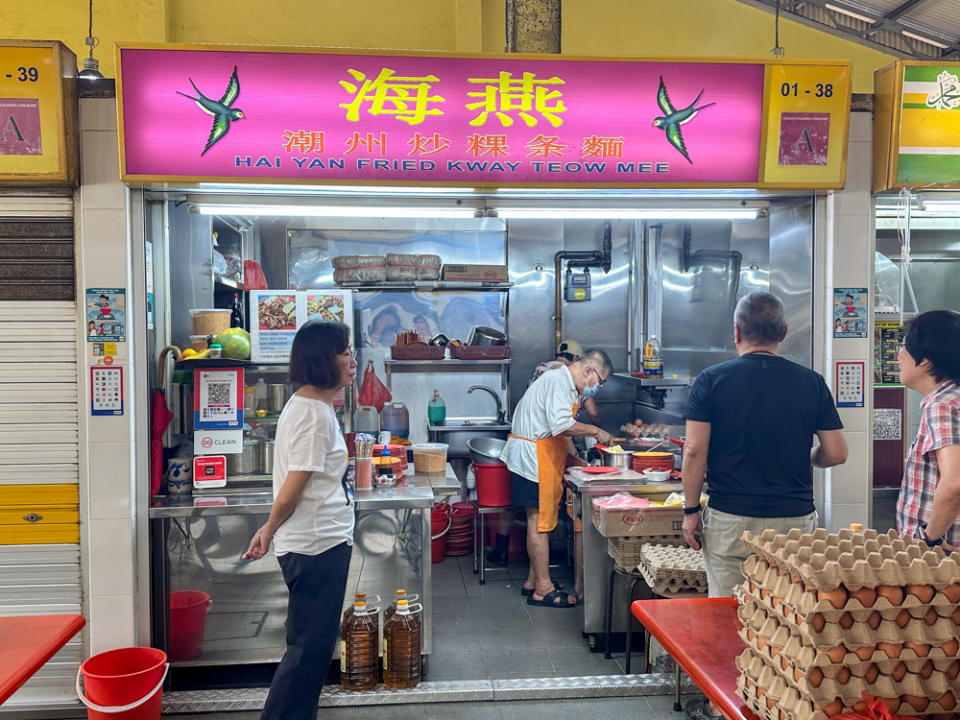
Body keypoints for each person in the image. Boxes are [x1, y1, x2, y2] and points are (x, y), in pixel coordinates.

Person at [681, 291, 848, 597]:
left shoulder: (711, 380)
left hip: (731, 520)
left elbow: (694, 451)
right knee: (786, 619)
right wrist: (809, 455)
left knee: (726, 616)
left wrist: (691, 511)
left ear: (736, 332)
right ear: (783, 332)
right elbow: (836, 453)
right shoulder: (811, 382)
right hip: (793, 520)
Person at [243, 320, 358, 720]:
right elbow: (294, 486)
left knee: (311, 648)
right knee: (308, 651)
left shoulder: (311, 404)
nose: (353, 361)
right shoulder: (313, 413)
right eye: (346, 353)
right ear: (324, 360)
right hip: (316, 547)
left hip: (318, 543)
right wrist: (269, 528)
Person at [502, 349, 613, 608]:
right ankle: (543, 589)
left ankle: (534, 580)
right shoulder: (558, 382)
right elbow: (561, 425)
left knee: (543, 520)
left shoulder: (566, 384)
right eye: (600, 381)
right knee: (539, 523)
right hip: (533, 458)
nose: (597, 387)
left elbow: (558, 428)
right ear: (588, 371)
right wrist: (596, 431)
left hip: (540, 457)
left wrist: (573, 454)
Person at [895, 310, 960, 552]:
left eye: (903, 346)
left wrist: (929, 538)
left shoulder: (942, 406)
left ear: (925, 360)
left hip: (940, 558)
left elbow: (955, 482)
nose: (898, 355)